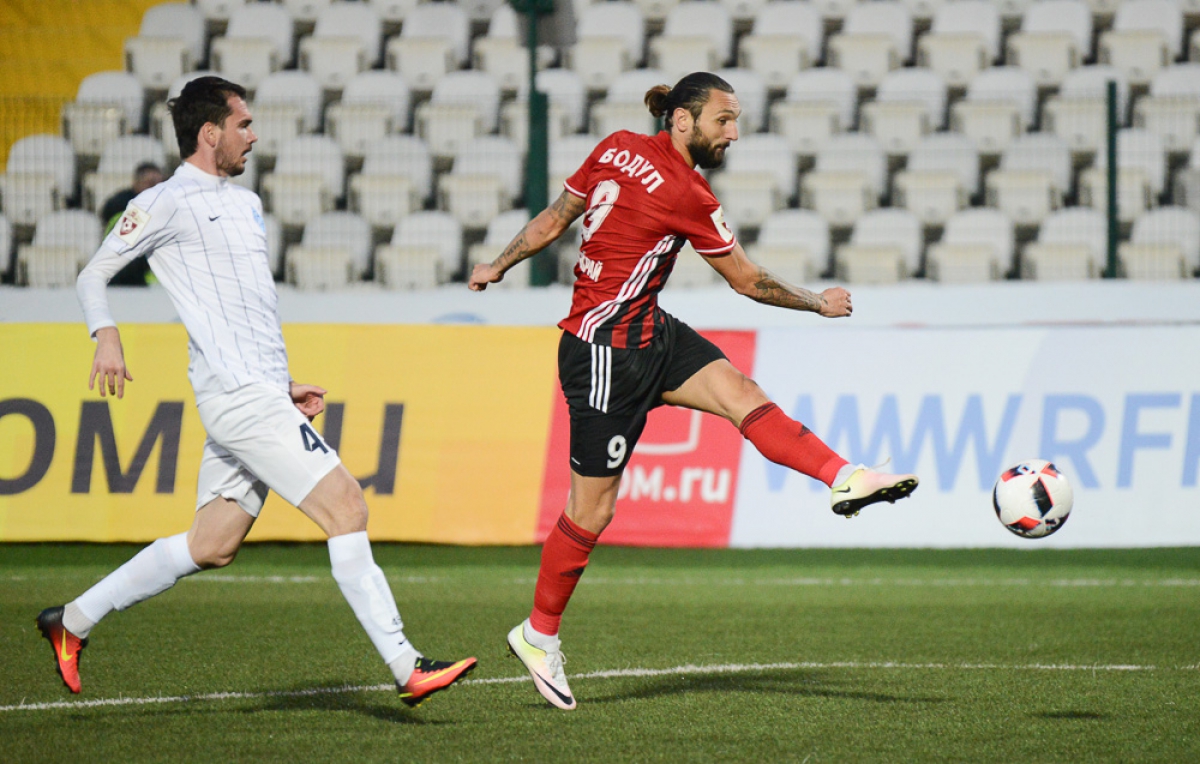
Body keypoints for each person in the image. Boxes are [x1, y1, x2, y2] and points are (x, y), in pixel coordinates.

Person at [469, 72, 918, 711]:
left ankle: (844, 477)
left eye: (735, 121)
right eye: (723, 121)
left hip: (649, 330)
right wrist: (819, 302)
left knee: (740, 391)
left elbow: (554, 218)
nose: (732, 134)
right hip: (605, 355)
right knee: (592, 512)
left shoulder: (616, 146)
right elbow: (748, 281)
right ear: (683, 119)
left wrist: (497, 264)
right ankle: (538, 635)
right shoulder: (687, 192)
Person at [39, 76, 476, 706]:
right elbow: (92, 275)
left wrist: (281, 384)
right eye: (243, 124)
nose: (253, 134)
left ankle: (73, 620)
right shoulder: (165, 201)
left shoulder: (245, 204)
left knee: (211, 545)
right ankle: (407, 665)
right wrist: (105, 335)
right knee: (347, 506)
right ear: (209, 132)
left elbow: (242, 310)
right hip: (239, 398)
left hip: (256, 390)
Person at [99, 162, 165, 286]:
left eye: (161, 184)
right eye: (151, 184)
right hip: (128, 285)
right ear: (136, 184)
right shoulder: (124, 213)